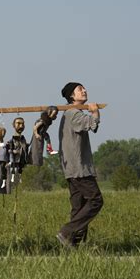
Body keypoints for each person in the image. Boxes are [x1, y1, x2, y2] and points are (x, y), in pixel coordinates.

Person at [56, 82, 104, 247]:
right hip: (79, 169)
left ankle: (72, 244)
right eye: (79, 89)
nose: (84, 90)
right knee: (96, 200)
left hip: (72, 168)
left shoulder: (71, 113)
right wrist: (95, 112)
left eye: (84, 88)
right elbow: (92, 124)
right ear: (71, 96)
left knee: (79, 206)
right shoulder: (73, 113)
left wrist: (91, 113)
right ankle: (66, 232)